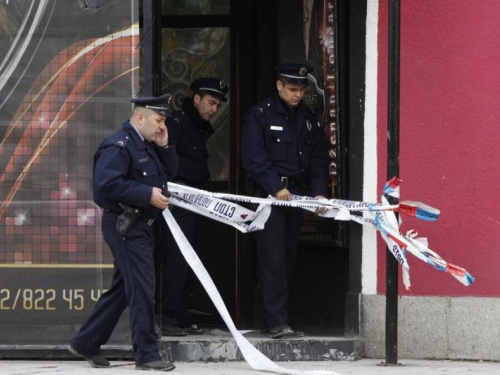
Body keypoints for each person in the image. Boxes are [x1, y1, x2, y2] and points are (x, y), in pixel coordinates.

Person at [69, 94, 178, 371]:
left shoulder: (148, 143)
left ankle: (86, 342)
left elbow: (170, 174)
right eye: (158, 120)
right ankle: (147, 355)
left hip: (140, 226)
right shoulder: (119, 145)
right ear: (140, 117)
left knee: (122, 289)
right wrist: (146, 195)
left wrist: (165, 146)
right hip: (125, 225)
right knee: (142, 288)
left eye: (164, 121)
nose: (162, 126)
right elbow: (104, 186)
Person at [241, 63, 329, 339]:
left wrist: (319, 192)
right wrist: (275, 187)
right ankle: (276, 320)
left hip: (296, 198)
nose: (297, 95)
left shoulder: (307, 118)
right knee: (273, 259)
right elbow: (254, 158)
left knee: (289, 258)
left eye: (302, 90)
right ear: (279, 85)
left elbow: (318, 159)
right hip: (270, 198)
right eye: (292, 89)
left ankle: (279, 319)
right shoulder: (260, 115)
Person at [161, 77, 228, 336]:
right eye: (211, 102)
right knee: (176, 259)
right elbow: (167, 162)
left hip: (194, 201)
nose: (214, 109)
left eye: (218, 106)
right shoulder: (177, 123)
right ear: (196, 98)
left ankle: (181, 315)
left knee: (189, 260)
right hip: (176, 202)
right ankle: (167, 317)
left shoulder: (198, 126)